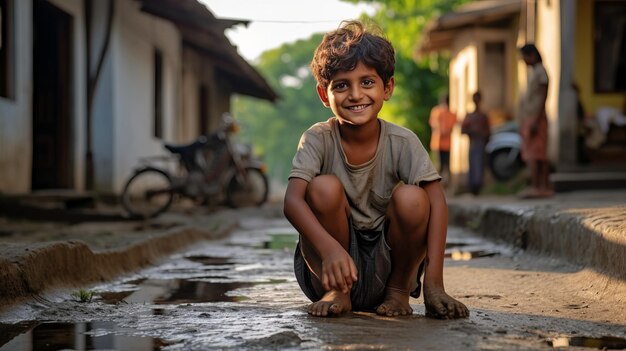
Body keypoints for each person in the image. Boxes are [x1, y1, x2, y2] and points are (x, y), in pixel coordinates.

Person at [283, 20, 469, 319]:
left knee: (413, 197)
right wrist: (329, 250)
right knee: (322, 188)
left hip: (389, 270)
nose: (356, 95)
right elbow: (292, 201)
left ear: (388, 87)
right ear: (323, 95)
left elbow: (437, 202)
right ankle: (339, 294)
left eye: (367, 82)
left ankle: (398, 294)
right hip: (327, 270)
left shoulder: (402, 141)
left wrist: (435, 282)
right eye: (341, 85)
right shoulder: (318, 138)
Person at [517, 43, 552, 198]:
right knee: (534, 153)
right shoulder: (532, 73)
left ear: (531, 55)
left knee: (537, 154)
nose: (523, 60)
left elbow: (543, 95)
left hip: (536, 117)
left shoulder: (540, 72)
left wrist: (536, 120)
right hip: (530, 116)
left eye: (524, 57)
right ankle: (537, 186)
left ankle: (540, 187)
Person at [461, 91, 490, 195]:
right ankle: (472, 188)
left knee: (480, 165)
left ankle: (478, 188)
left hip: (481, 143)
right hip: (473, 142)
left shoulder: (483, 116)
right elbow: (463, 130)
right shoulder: (469, 116)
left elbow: (488, 132)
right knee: (473, 165)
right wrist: (473, 131)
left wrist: (483, 135)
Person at [429, 93, 457, 182]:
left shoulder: (437, 111)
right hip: (439, 143)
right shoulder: (437, 112)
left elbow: (434, 125)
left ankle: (444, 184)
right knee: (441, 166)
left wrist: (442, 131)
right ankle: (441, 184)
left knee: (443, 166)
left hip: (442, 144)